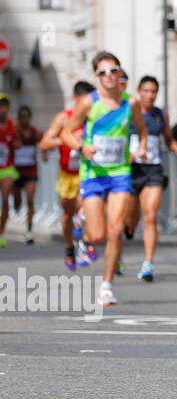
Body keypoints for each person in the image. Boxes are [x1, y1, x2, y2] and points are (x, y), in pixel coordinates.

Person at [63, 52, 149, 307]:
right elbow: (67, 133)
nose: (109, 76)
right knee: (98, 236)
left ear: (120, 73)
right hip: (93, 173)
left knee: (115, 229)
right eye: (103, 72)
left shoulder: (130, 103)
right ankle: (85, 219)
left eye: (113, 71)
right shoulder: (89, 103)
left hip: (120, 172)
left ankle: (107, 286)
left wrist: (141, 147)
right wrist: (81, 148)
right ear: (96, 76)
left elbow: (141, 130)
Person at [125, 76, 177, 282]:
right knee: (131, 218)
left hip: (153, 170)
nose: (150, 95)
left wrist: (176, 147)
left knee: (150, 216)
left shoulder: (161, 115)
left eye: (154, 92)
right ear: (138, 92)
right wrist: (130, 154)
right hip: (131, 170)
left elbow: (168, 139)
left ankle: (148, 264)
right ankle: (130, 227)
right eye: (146, 91)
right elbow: (118, 139)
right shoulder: (128, 113)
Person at [40, 81, 95, 269]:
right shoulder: (64, 117)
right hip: (67, 174)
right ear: (75, 99)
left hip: (86, 171)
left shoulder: (94, 117)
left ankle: (86, 243)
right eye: (83, 100)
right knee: (68, 214)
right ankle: (68, 247)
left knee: (85, 206)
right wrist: (67, 140)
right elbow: (44, 143)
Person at [12, 106, 42, 244]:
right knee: (17, 199)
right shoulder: (14, 131)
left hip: (31, 170)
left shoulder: (35, 132)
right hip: (16, 171)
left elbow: (44, 142)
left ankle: (29, 230)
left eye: (27, 116)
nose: (25, 119)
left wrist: (46, 153)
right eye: (22, 116)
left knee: (30, 199)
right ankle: (16, 206)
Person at [0, 95, 16, 248]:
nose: (2, 109)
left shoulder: (12, 125)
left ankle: (1, 232)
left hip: (7, 168)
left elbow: (17, 142)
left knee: (5, 199)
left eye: (4, 105)